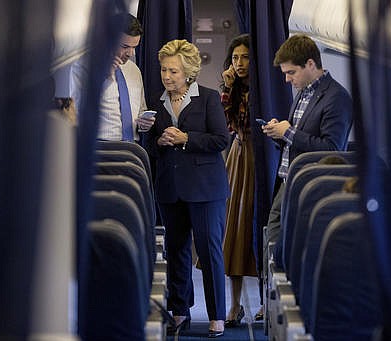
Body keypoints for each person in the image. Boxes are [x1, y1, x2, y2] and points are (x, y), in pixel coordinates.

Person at [144, 39, 229, 338]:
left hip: (206, 189)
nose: (167, 77)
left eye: (174, 72)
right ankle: (180, 311)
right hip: (170, 187)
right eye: (164, 70)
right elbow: (151, 148)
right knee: (176, 251)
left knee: (208, 253)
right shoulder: (156, 102)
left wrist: (185, 138)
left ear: (189, 73)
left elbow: (221, 140)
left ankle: (217, 315)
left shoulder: (208, 99)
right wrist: (159, 141)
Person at [262, 33, 353, 252]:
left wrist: (289, 132)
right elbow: (298, 139)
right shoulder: (302, 93)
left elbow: (332, 150)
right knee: (273, 244)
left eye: (291, 72)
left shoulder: (336, 97)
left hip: (309, 187)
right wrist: (279, 133)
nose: (287, 79)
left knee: (285, 251)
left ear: (310, 64)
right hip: (286, 182)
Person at [220, 34, 263, 326]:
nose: (239, 63)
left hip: (261, 157)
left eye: (245, 57)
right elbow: (228, 125)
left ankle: (264, 300)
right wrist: (227, 88)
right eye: (235, 58)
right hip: (238, 155)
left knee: (257, 226)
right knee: (234, 228)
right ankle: (235, 305)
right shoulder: (233, 89)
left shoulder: (265, 90)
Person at [70, 13, 155, 141]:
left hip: (131, 149)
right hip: (99, 146)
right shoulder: (83, 66)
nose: (130, 53)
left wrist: (144, 124)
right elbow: (76, 111)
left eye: (134, 47)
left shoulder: (134, 70)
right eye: (125, 46)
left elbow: (141, 109)